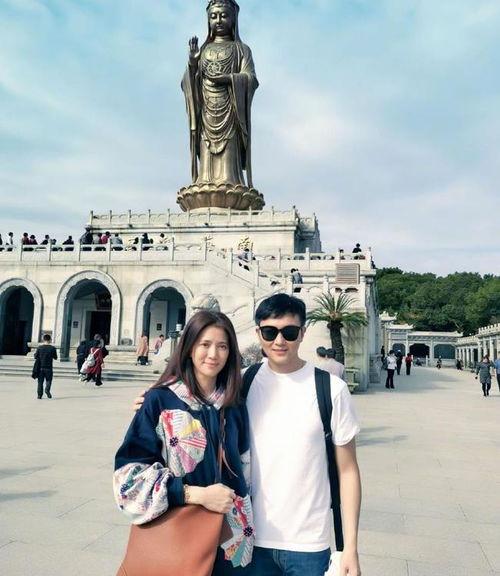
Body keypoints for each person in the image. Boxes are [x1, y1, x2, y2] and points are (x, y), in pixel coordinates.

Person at [132, 295, 362, 576]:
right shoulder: (241, 384)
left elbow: (348, 471)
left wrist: (350, 547)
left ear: (302, 333)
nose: (279, 341)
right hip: (245, 541)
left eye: (289, 332)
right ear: (258, 333)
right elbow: (194, 400)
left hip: (308, 544)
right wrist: (152, 401)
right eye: (270, 332)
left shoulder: (331, 389)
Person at [114, 310, 254, 573]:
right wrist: (195, 494)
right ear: (189, 348)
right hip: (178, 540)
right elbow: (128, 479)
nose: (213, 354)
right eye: (205, 344)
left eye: (222, 346)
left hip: (231, 542)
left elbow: (245, 471)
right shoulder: (160, 400)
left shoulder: (234, 405)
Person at [34, 334, 58, 399]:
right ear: (50, 340)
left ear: (43, 339)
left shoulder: (39, 348)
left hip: (40, 368)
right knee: (49, 380)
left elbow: (35, 356)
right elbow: (55, 357)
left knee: (40, 382)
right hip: (49, 368)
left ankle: (39, 395)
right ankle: (47, 390)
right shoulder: (52, 348)